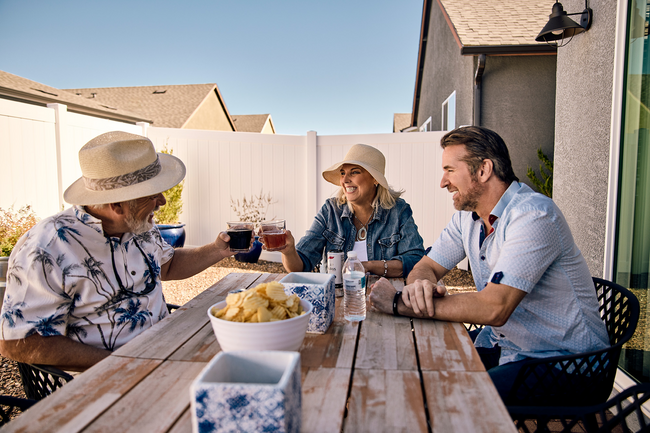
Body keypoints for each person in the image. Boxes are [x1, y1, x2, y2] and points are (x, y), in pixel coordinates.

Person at [369, 126, 609, 400]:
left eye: (450, 170)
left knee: (458, 397)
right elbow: (427, 265)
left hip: (566, 363)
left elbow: (494, 308)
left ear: (483, 170)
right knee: (417, 363)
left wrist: (399, 303)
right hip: (507, 345)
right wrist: (420, 286)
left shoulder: (534, 216)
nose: (443, 182)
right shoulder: (467, 218)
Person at [0, 131, 240, 371]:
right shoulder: (46, 247)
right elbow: (17, 342)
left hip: (165, 353)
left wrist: (217, 250)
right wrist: (121, 365)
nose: (163, 200)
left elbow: (167, 265)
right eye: (153, 194)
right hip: (103, 381)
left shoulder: (138, 224)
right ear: (117, 204)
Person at [274, 143, 425, 278]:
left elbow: (415, 260)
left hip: (384, 297)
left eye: (354, 172)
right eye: (342, 173)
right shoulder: (330, 211)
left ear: (375, 179)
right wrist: (288, 252)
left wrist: (368, 266)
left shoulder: (398, 211)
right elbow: (300, 266)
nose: (345, 180)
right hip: (338, 298)